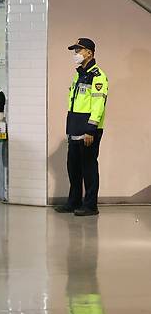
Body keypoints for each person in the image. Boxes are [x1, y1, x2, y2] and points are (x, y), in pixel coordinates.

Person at [54, 38, 108, 217]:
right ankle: (74, 202)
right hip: (74, 128)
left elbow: (98, 105)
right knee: (74, 167)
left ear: (89, 53)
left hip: (88, 131)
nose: (75, 54)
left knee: (89, 168)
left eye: (78, 50)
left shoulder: (98, 76)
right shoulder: (78, 74)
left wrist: (90, 130)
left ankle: (90, 205)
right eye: (74, 50)